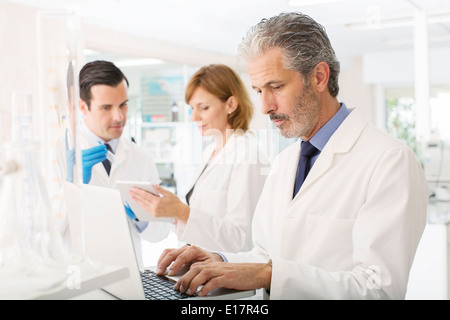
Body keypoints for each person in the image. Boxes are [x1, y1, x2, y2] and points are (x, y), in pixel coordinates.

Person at [154, 12, 429, 299]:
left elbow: (380, 290)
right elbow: (265, 254)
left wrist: (269, 274)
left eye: (276, 87)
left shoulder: (390, 161)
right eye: (259, 90)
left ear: (319, 77)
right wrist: (219, 261)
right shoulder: (286, 162)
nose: (265, 106)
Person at [129, 64, 270, 253]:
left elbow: (243, 240)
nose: (194, 117)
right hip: (202, 269)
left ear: (230, 105)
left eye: (203, 107)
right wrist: (170, 212)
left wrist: (182, 212)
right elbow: (203, 222)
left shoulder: (249, 157)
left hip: (230, 276)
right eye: (192, 108)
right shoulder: (210, 153)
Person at [77, 60, 171, 267]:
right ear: (83, 107)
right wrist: (72, 185)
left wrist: (142, 216)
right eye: (106, 108)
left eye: (123, 105)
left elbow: (161, 233)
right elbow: (44, 230)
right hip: (81, 277)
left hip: (129, 276)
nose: (119, 116)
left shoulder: (141, 158)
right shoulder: (64, 154)